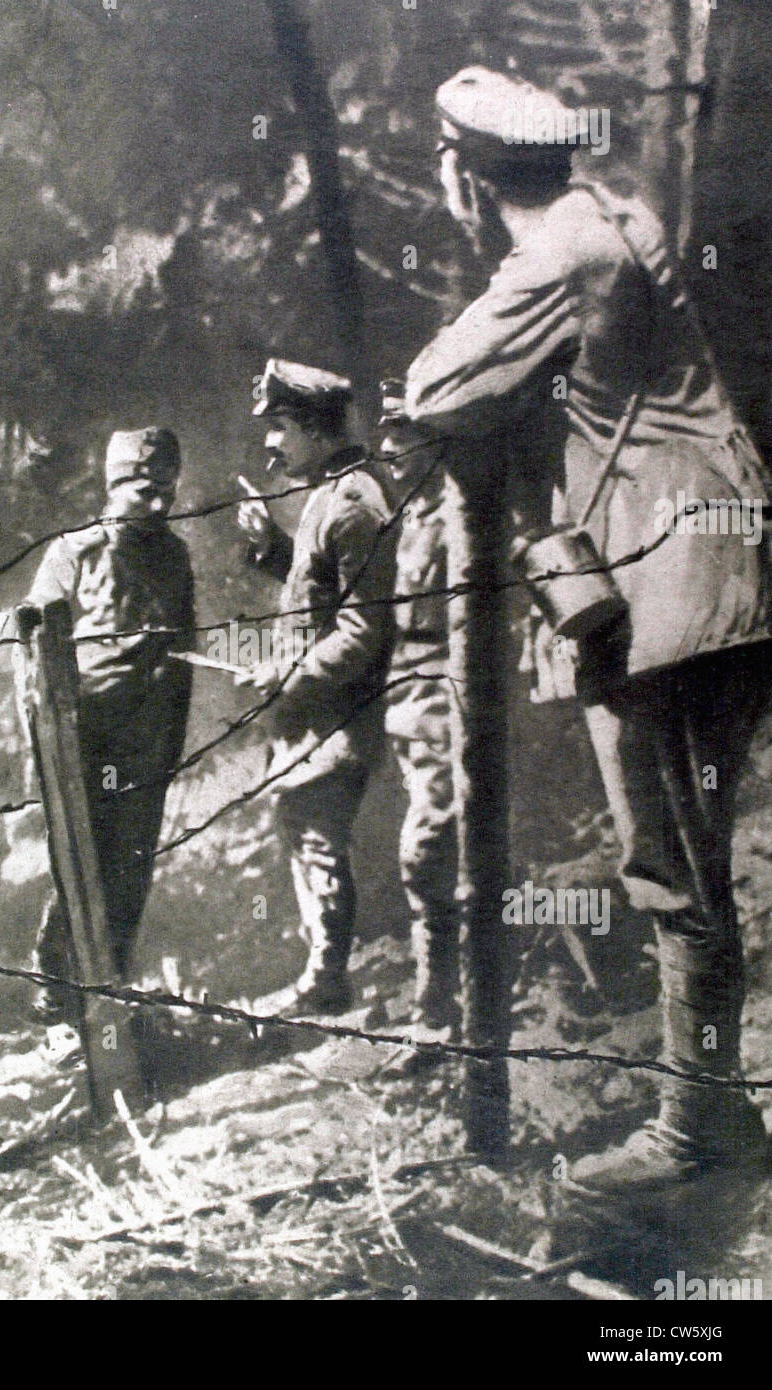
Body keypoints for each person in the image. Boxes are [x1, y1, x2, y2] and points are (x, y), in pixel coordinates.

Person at [404, 66, 772, 1191]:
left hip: (665, 592)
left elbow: (431, 388)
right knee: (688, 858)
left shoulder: (557, 255)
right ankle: (709, 1113)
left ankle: (693, 1132)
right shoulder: (618, 215)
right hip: (717, 563)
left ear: (465, 178)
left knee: (671, 866)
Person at [236, 359, 395, 1016]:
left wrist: (286, 677)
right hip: (313, 715)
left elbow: (362, 631)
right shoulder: (329, 497)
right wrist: (272, 548)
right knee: (305, 830)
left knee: (318, 836)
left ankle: (327, 982)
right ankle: (322, 974)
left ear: (316, 430)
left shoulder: (354, 503)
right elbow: (319, 598)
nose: (271, 444)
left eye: (280, 426)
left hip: (337, 714)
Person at [26, 428, 194, 1010]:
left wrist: (171, 742)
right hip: (86, 743)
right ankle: (56, 996)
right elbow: (34, 641)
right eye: (146, 491)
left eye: (167, 492)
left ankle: (109, 991)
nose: (159, 504)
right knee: (80, 866)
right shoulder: (73, 553)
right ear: (115, 486)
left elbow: (183, 653)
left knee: (131, 867)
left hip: (148, 742)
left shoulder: (174, 555)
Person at [377, 379, 458, 1034]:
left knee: (429, 852)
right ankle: (439, 1010)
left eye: (402, 435)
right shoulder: (410, 517)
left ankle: (441, 1014)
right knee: (424, 857)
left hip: (446, 703)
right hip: (408, 706)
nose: (387, 448)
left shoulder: (464, 517)